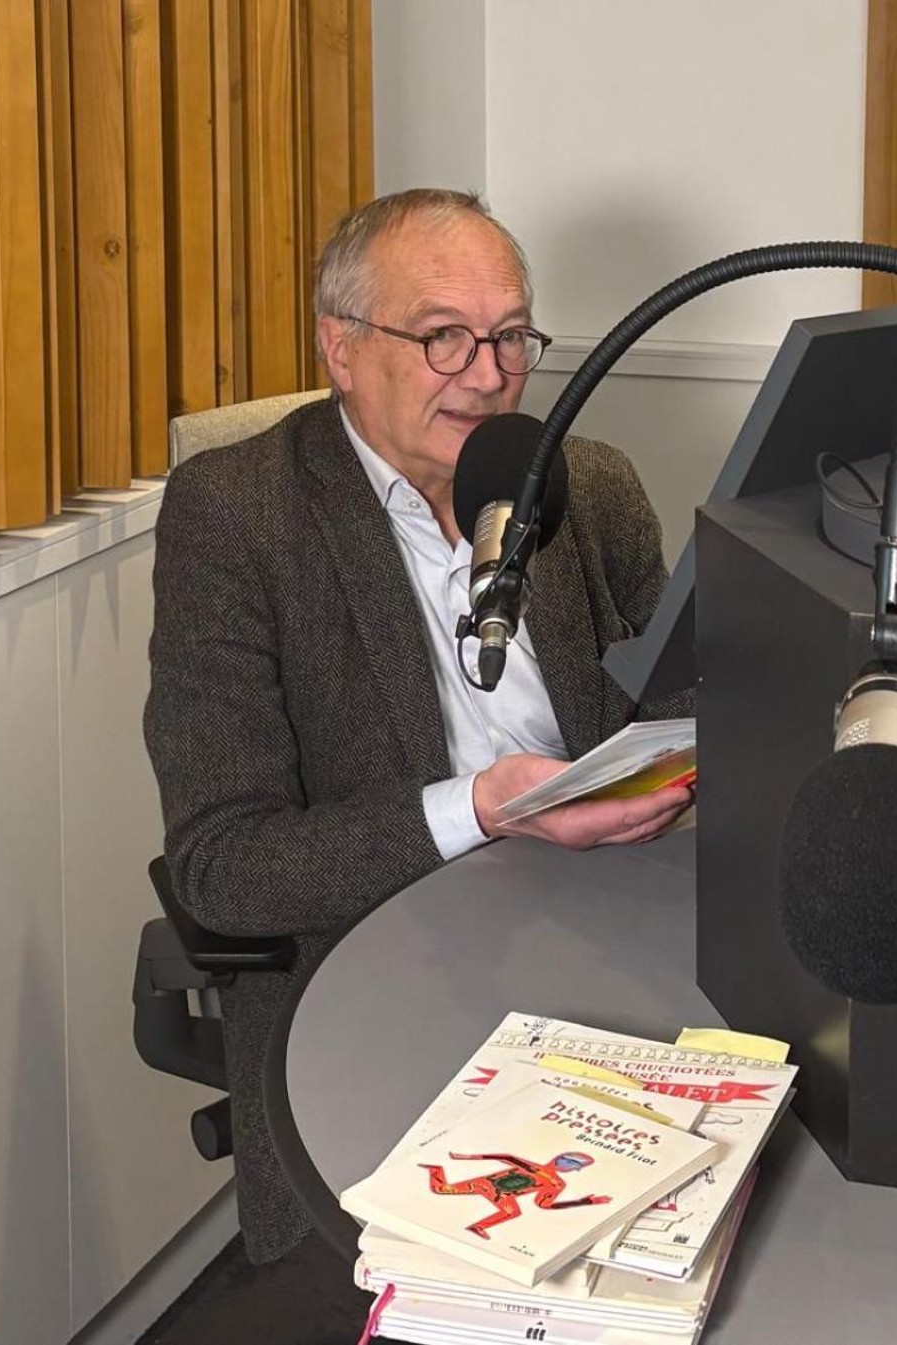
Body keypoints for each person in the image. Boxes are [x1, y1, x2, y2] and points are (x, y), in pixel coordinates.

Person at [143, 188, 693, 1265]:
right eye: (443, 336)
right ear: (340, 347)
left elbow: (682, 693)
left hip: (611, 927)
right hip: (379, 968)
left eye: (509, 336)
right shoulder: (237, 515)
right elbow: (223, 866)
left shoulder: (585, 482)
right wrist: (480, 809)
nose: (487, 375)